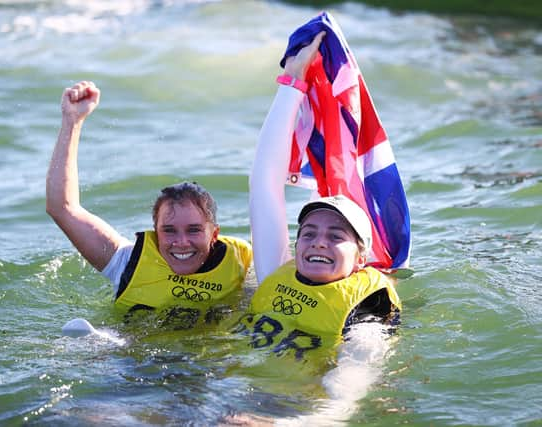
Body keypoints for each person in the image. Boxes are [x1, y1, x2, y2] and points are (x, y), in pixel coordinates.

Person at [237, 32, 402, 360]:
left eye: (335, 235)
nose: (318, 242)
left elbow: (348, 386)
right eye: (308, 233)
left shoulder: (368, 309)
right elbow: (264, 186)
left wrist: (303, 415)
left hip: (294, 407)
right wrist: (292, 81)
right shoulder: (277, 274)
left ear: (360, 258)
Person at [46, 81, 252, 329]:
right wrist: (72, 122)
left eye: (194, 230)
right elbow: (62, 208)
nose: (181, 242)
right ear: (155, 233)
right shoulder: (127, 263)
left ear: (214, 234)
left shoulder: (243, 268)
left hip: (209, 365)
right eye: (169, 230)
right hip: (136, 364)